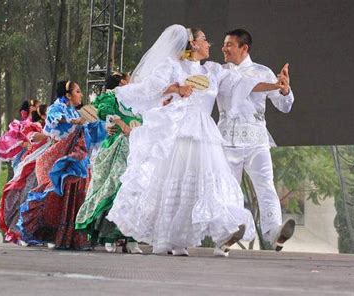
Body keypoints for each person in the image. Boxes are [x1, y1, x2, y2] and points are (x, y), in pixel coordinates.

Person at [107, 24, 286, 256]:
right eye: (205, 39)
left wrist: (275, 85)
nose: (209, 44)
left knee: (208, 184)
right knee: (175, 184)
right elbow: (151, 88)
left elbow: (244, 83)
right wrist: (175, 88)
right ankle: (164, 240)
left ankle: (212, 232)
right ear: (193, 44)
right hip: (180, 131)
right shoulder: (172, 66)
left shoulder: (212, 70)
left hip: (205, 134)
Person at [218, 29, 295, 251]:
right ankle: (225, 236)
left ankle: (275, 233)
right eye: (224, 44)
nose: (224, 48)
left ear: (244, 48)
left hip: (256, 140)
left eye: (229, 44)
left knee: (265, 184)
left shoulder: (263, 72)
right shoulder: (221, 72)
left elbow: (284, 106)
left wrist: (284, 89)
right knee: (228, 190)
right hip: (226, 142)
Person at [17, 80, 107, 250]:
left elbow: (91, 130)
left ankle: (66, 237)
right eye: (78, 91)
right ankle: (40, 232)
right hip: (56, 161)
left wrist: (108, 126)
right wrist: (73, 122)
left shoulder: (77, 113)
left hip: (75, 160)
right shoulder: (56, 109)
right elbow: (55, 119)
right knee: (52, 198)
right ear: (68, 95)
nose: (81, 94)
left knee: (74, 196)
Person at [75, 72, 143, 254]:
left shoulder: (139, 99)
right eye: (129, 79)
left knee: (133, 190)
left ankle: (130, 239)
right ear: (122, 82)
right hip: (117, 146)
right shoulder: (112, 96)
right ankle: (108, 236)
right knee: (114, 187)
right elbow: (103, 112)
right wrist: (119, 123)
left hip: (136, 148)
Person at [0, 104, 51, 244]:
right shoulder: (30, 127)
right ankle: (22, 232)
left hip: (48, 166)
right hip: (31, 166)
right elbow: (31, 139)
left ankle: (41, 234)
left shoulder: (54, 126)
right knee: (27, 197)